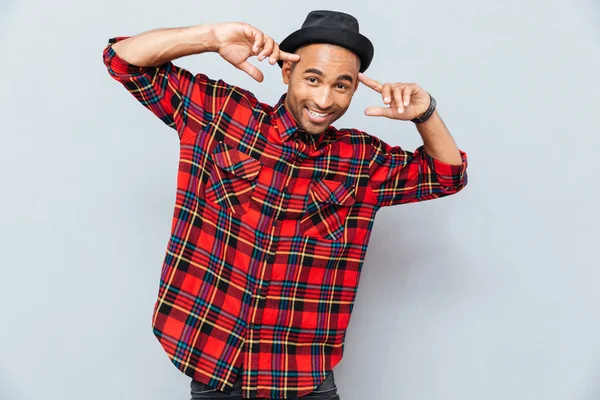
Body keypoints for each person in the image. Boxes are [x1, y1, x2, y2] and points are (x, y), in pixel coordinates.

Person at [102, 10, 468, 400]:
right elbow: (123, 61)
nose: (324, 99)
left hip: (301, 377)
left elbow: (448, 176)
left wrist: (425, 113)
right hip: (211, 361)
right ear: (286, 73)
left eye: (341, 86)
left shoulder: (362, 160)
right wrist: (209, 36)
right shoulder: (221, 115)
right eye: (313, 79)